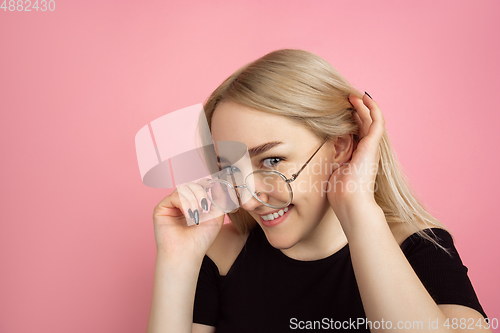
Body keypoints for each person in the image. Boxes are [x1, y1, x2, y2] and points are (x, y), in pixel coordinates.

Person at [146, 49, 491, 333]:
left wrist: (357, 206)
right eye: (228, 170)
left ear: (340, 146)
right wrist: (176, 261)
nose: (249, 199)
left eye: (272, 160)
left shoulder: (420, 248)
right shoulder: (220, 256)